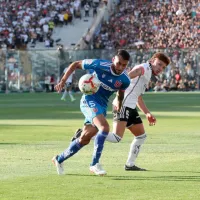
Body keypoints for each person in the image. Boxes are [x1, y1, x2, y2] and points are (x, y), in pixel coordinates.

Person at [71, 52, 170, 171]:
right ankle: (84, 134)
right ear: (153, 60)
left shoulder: (147, 72)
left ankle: (130, 164)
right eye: (159, 64)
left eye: (163, 67)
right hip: (123, 105)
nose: (160, 68)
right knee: (116, 137)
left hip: (131, 106)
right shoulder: (143, 68)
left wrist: (147, 113)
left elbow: (138, 97)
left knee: (141, 136)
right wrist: (119, 99)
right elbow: (124, 78)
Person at [52, 49, 131, 175]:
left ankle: (59, 159)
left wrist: (119, 105)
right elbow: (75, 64)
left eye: (124, 65)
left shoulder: (125, 79)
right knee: (104, 128)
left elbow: (120, 93)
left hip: (102, 106)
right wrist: (63, 80)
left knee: (85, 139)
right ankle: (94, 164)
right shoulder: (99, 65)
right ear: (113, 60)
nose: (120, 67)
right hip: (89, 100)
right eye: (118, 63)